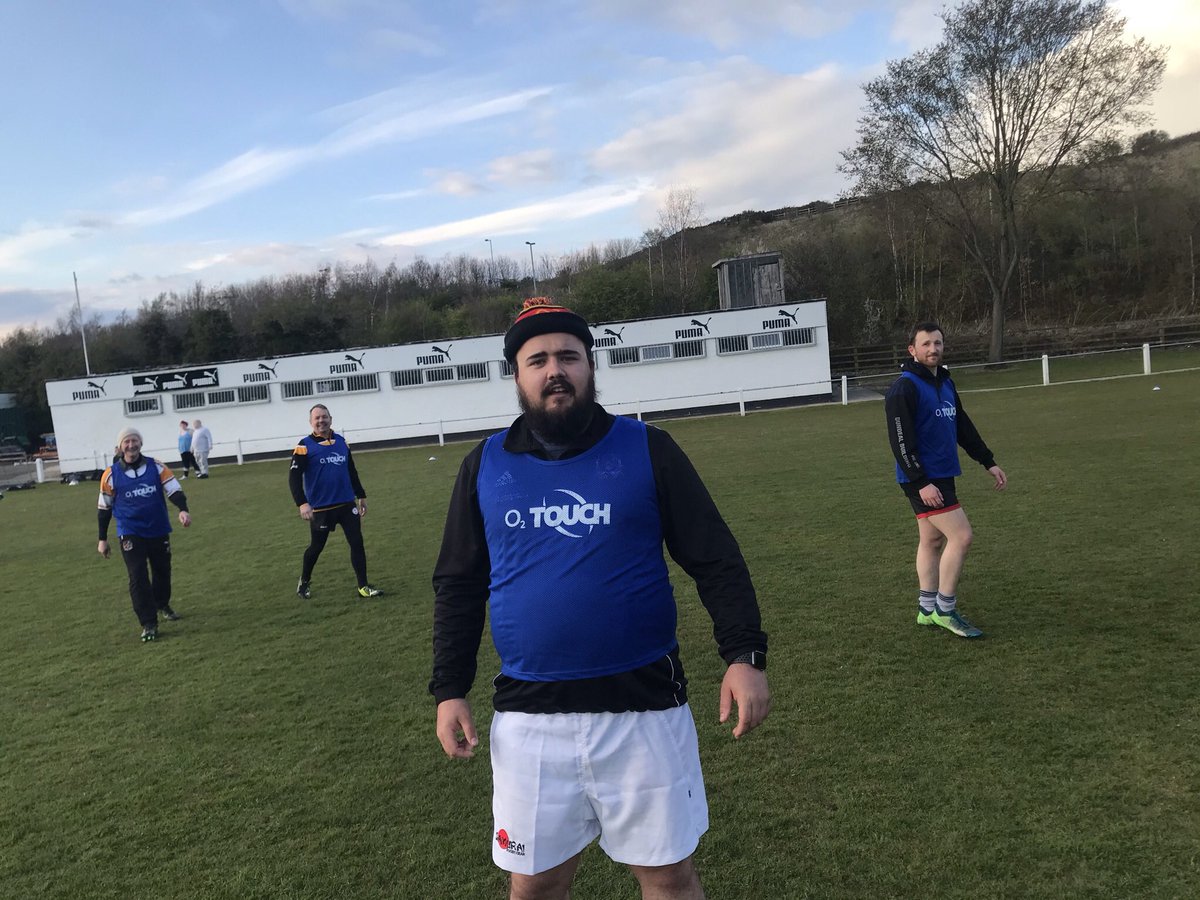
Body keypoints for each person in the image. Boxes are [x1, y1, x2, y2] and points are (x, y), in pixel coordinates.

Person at [431, 297, 770, 900]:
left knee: (667, 878)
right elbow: (458, 584)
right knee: (534, 884)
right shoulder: (481, 466)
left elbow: (715, 557)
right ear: (517, 375)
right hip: (530, 716)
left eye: (568, 355)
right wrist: (449, 688)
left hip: (644, 707)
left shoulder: (648, 447)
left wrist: (743, 655)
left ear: (591, 366)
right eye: (537, 359)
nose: (554, 369)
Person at [885, 321, 1008, 639]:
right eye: (925, 344)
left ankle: (927, 610)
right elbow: (900, 441)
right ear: (912, 350)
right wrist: (921, 481)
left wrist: (987, 461)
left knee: (932, 540)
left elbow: (962, 427)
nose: (933, 349)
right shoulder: (904, 387)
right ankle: (945, 610)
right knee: (962, 536)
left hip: (942, 473)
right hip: (922, 478)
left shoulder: (946, 383)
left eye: (937, 343)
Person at [97, 426, 192, 642]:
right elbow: (104, 508)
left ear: (140, 443)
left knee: (162, 571)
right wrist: (102, 539)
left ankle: (162, 604)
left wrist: (183, 510)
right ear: (120, 447)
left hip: (158, 529)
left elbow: (174, 490)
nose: (131, 445)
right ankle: (148, 622)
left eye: (134, 441)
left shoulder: (156, 467)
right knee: (137, 576)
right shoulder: (110, 475)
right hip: (130, 532)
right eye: (126, 442)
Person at [289, 404, 382, 600]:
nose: (321, 421)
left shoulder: (341, 442)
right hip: (321, 508)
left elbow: (351, 471)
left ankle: (363, 587)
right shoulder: (303, 446)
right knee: (316, 547)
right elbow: (294, 478)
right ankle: (304, 581)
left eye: (324, 417)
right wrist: (302, 503)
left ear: (331, 419)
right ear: (311, 422)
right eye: (317, 418)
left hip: (347, 504)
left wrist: (361, 495)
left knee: (357, 543)